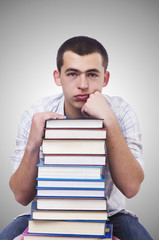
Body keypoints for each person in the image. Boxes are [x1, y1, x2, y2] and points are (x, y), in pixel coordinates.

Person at [0, 36, 152, 240]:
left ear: (105, 79)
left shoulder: (121, 112)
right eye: (72, 74)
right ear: (57, 77)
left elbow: (131, 188)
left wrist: (110, 121)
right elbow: (21, 196)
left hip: (109, 215)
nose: (82, 85)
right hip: (44, 214)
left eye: (92, 74)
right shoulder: (36, 113)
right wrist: (33, 145)